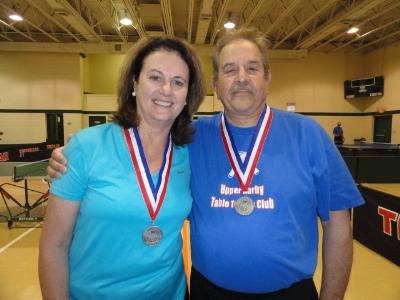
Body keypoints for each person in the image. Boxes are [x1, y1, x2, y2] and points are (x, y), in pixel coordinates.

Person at [46, 28, 364, 300]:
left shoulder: (309, 134)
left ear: (268, 77)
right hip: (207, 292)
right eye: (229, 70)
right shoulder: (192, 139)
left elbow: (337, 223)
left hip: (290, 293)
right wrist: (66, 159)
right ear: (215, 84)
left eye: (252, 68)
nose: (241, 79)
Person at [39, 36, 204, 300]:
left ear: (187, 95)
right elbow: (54, 246)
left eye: (178, 82)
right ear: (134, 83)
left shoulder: (190, 153)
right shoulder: (86, 147)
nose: (166, 90)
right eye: (155, 77)